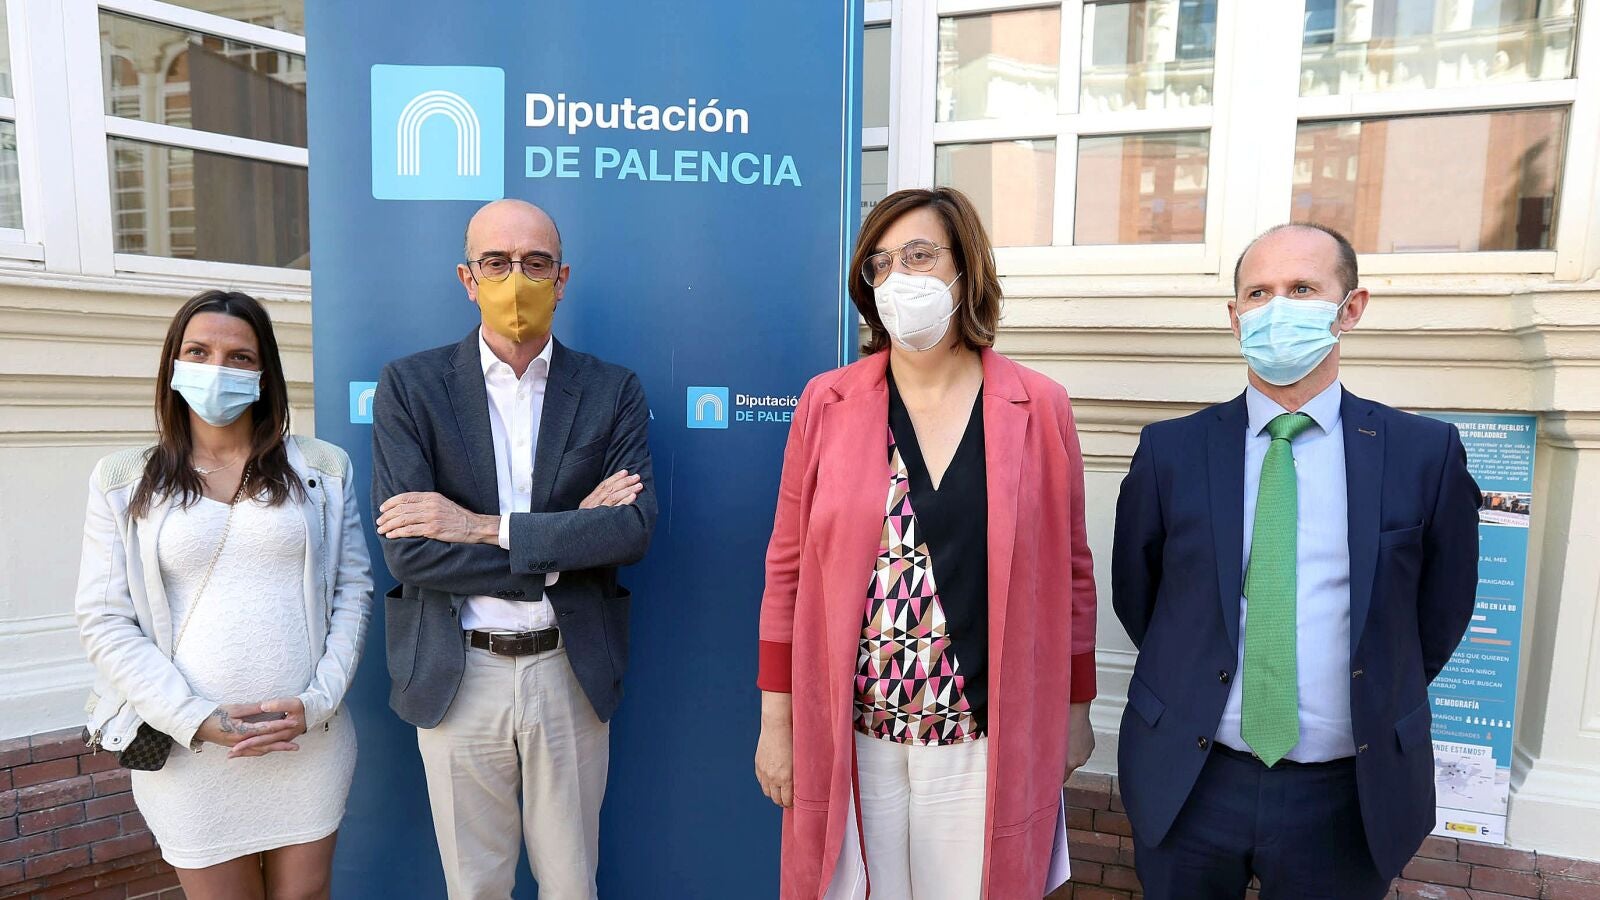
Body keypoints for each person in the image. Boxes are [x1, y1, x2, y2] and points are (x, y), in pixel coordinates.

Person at [1111, 224, 1481, 898]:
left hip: (1347, 792)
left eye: (1303, 288)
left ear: (1351, 308)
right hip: (1192, 780)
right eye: (1259, 293)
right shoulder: (1171, 452)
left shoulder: (1423, 454)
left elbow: (1440, 611)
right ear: (1235, 318)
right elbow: (1141, 597)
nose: (1277, 308)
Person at [754, 187, 1097, 900]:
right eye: (880, 265)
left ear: (966, 269)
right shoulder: (826, 402)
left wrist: (1076, 712)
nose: (898, 279)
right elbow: (786, 570)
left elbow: (1072, 573)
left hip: (981, 739)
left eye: (919, 256)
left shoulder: (1039, 406)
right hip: (858, 739)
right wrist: (776, 723)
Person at [371, 198, 656, 900]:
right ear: (467, 279)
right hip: (458, 672)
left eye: (535, 263)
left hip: (569, 669)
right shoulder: (410, 386)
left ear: (562, 279)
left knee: (571, 884)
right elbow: (411, 555)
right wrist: (564, 540)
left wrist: (478, 526)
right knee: (475, 888)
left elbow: (629, 530)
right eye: (496, 263)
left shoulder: (611, 389)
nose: (516, 279)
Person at [76, 289, 373, 899]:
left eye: (240, 356)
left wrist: (317, 702)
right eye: (199, 351)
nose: (218, 368)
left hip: (305, 741)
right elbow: (105, 619)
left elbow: (353, 592)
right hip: (189, 750)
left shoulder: (323, 468)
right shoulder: (123, 479)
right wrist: (196, 720)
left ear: (264, 374)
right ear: (173, 364)